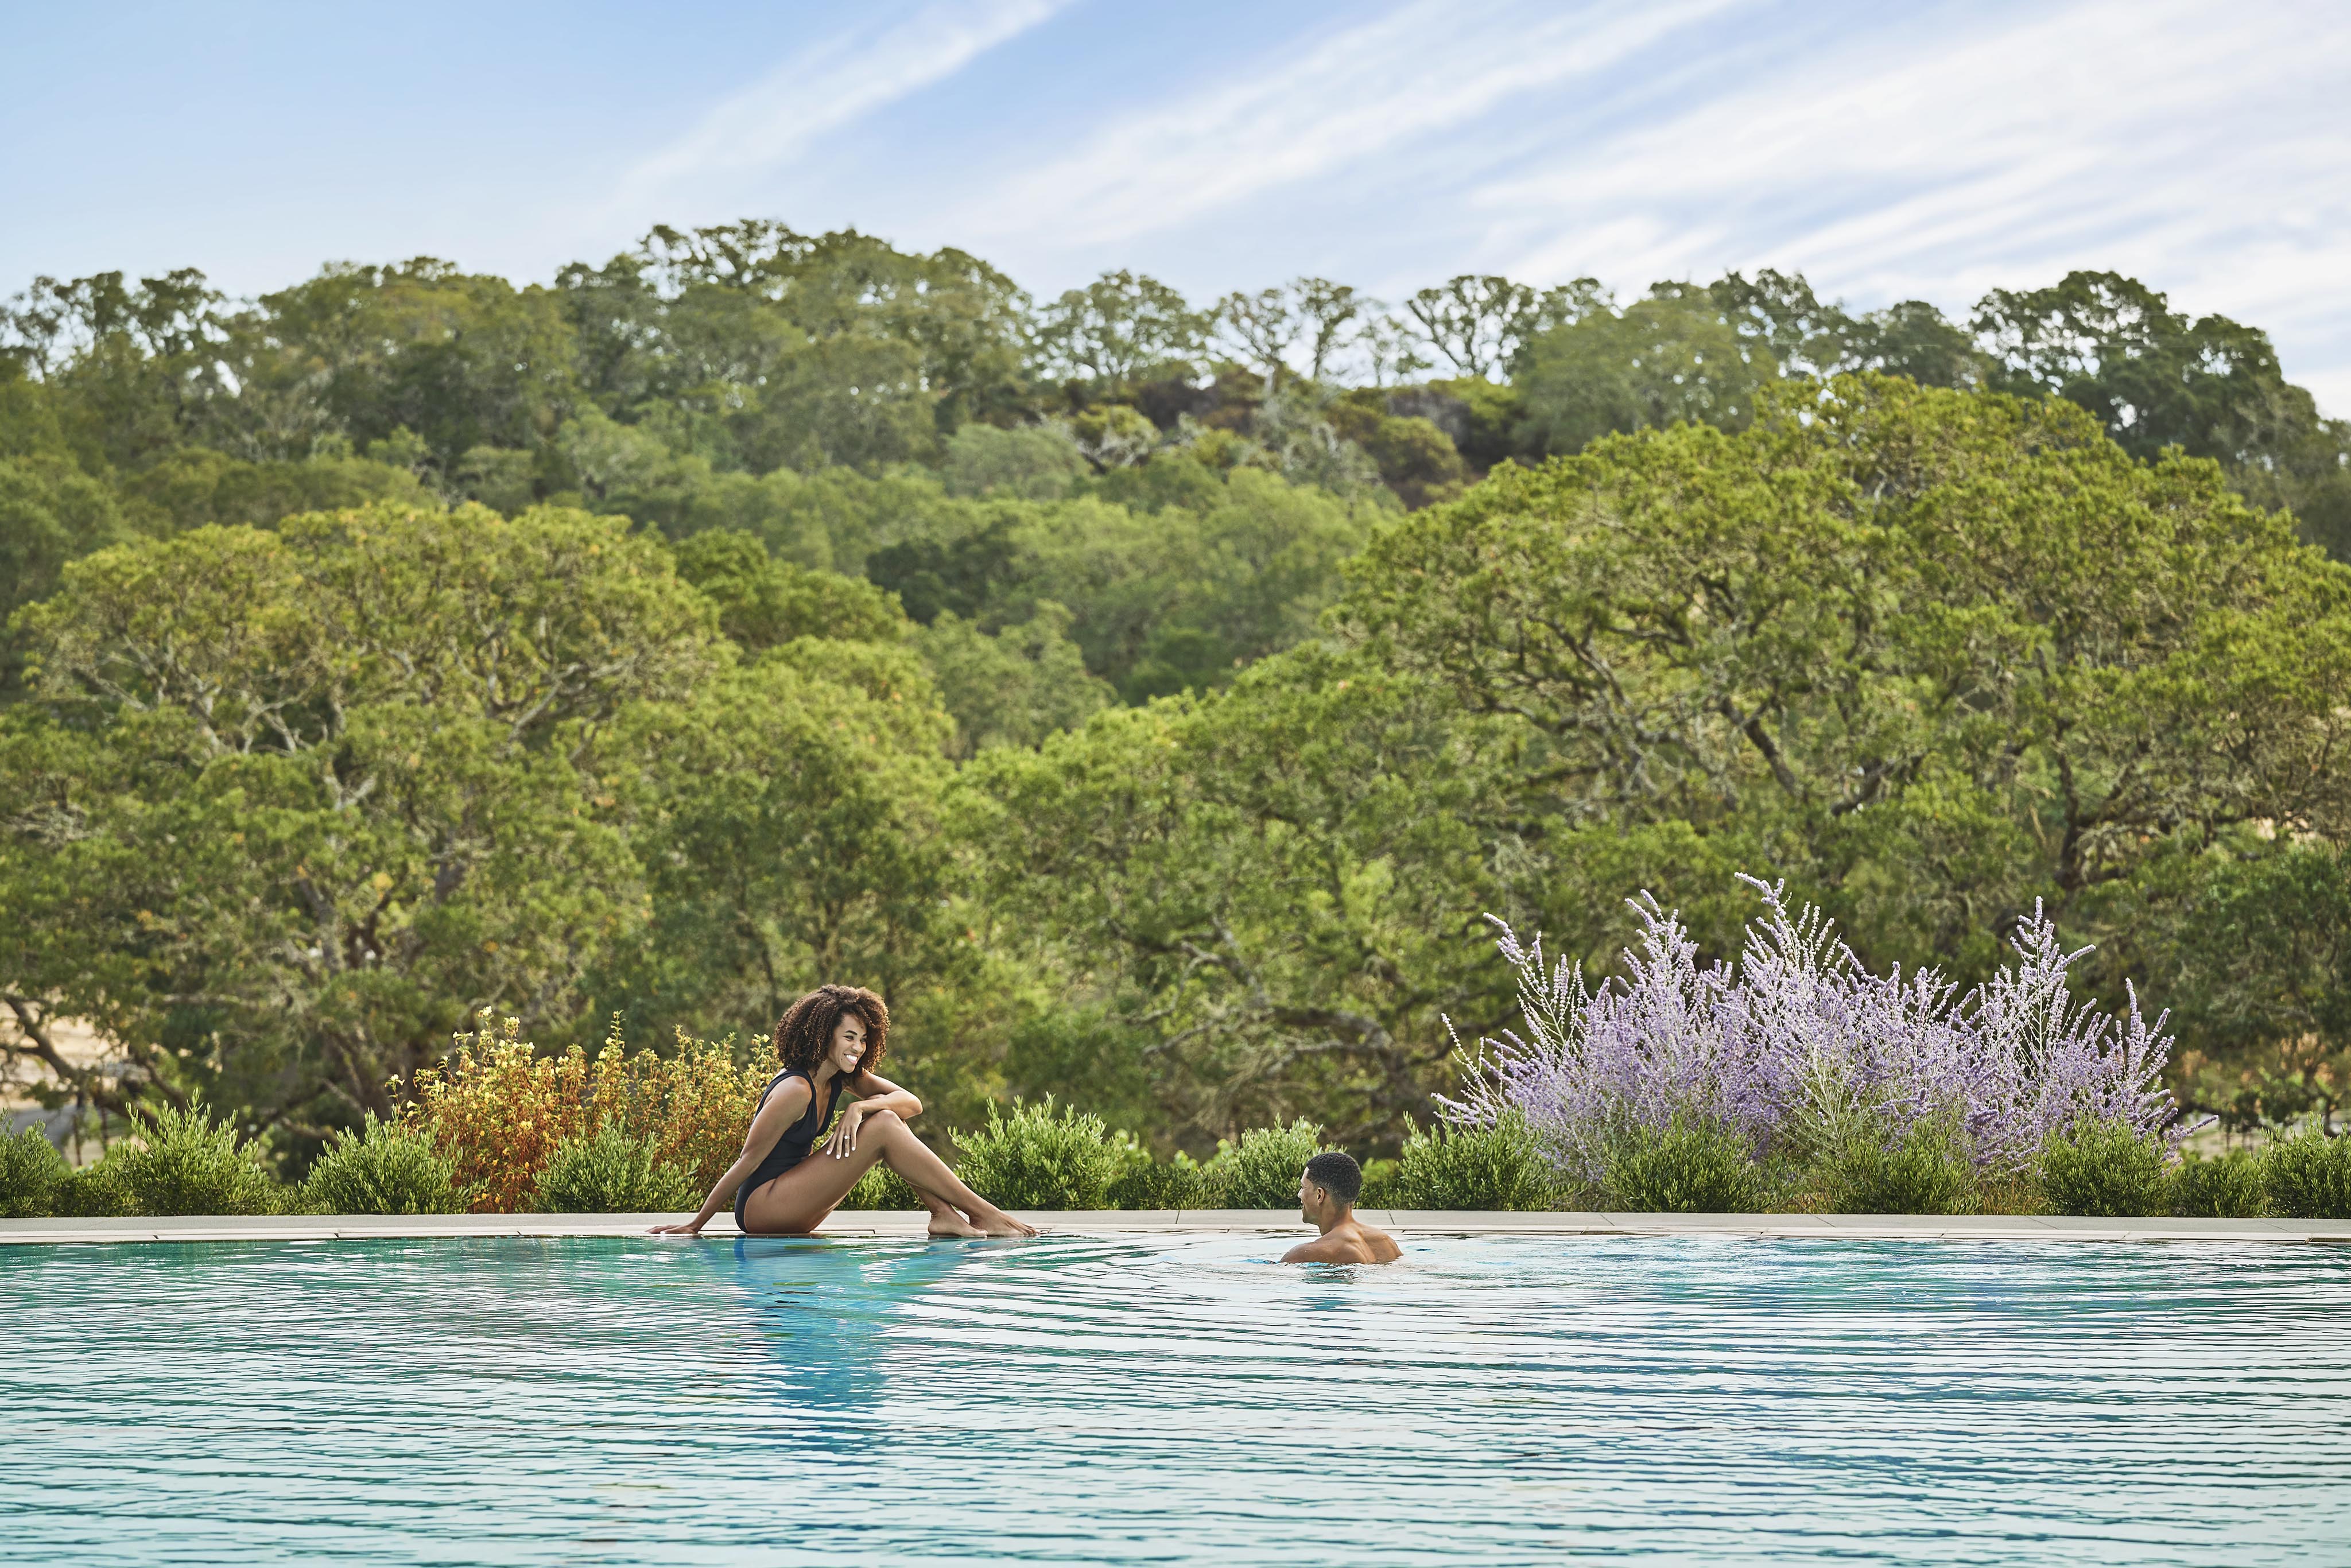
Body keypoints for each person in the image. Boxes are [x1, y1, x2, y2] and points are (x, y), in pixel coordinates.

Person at [653, 984, 1037, 1240]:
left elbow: (912, 1104)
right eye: (849, 1037)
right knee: (885, 1125)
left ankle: (946, 1214)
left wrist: (861, 1108)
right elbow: (746, 1163)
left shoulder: (841, 1078)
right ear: (824, 1037)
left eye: (864, 1039)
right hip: (763, 1207)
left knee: (887, 1120)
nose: (857, 1047)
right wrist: (695, 1225)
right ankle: (984, 1214)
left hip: (798, 1203)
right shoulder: (794, 1090)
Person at [1281, 1151, 1400, 1264]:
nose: (1299, 1194)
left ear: (1319, 1196)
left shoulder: (1307, 1254)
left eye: (1303, 1187)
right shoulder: (1386, 1242)